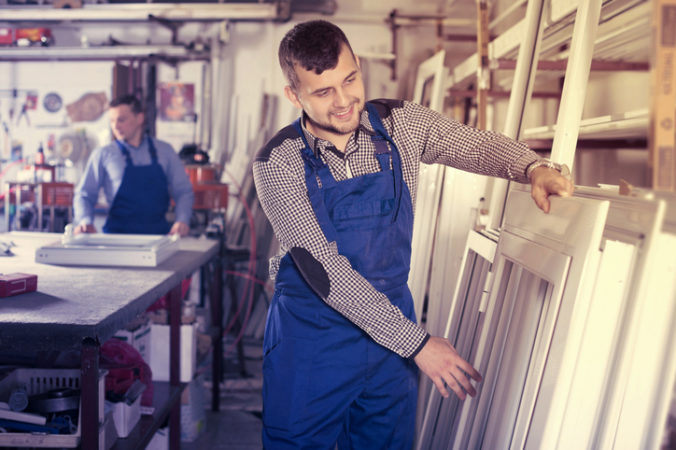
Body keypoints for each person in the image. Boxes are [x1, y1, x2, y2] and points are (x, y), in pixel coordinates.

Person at [253, 20, 574, 448]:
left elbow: (473, 144)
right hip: (313, 342)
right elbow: (326, 271)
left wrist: (532, 167)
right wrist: (418, 344)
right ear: (294, 94)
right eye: (324, 92)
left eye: (350, 79)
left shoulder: (400, 124)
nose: (345, 101)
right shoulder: (278, 163)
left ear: (359, 65)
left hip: (388, 342)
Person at [73, 94, 194, 236]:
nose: (115, 126)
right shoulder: (103, 154)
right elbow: (84, 194)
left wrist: (182, 220)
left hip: (159, 238)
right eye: (112, 121)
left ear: (139, 119)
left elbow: (183, 191)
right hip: (116, 239)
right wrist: (85, 220)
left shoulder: (165, 151)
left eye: (121, 120)